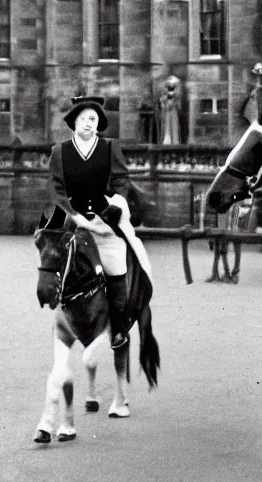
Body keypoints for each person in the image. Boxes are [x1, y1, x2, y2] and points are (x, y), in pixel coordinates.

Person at [47, 96, 152, 348]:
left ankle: (118, 328)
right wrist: (77, 217)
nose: (88, 123)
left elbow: (121, 180)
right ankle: (62, 316)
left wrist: (117, 203)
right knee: (51, 261)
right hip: (74, 222)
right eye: (83, 119)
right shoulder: (59, 152)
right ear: (74, 123)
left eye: (92, 119)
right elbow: (56, 190)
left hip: (105, 224)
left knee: (116, 269)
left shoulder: (109, 147)